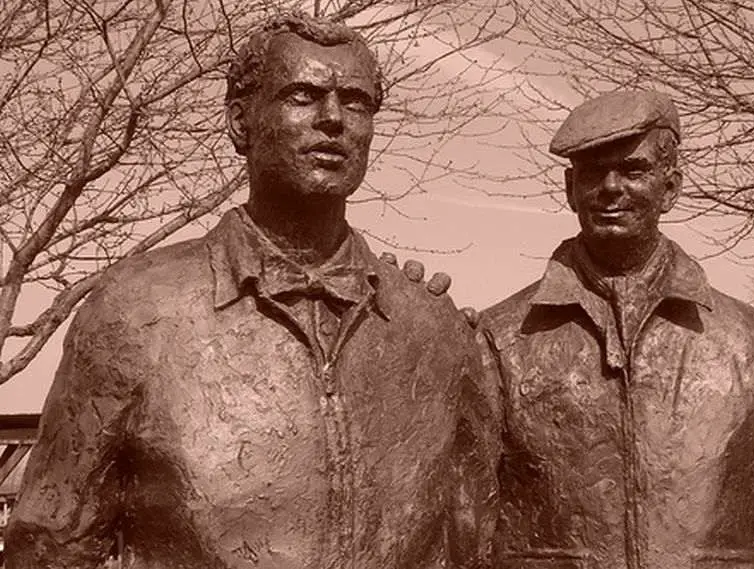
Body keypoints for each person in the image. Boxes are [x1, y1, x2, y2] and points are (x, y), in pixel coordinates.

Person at [5, 12, 495, 569]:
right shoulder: (137, 311)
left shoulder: (434, 331)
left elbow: (474, 537)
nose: (333, 118)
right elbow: (49, 545)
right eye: (303, 96)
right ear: (240, 122)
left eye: (356, 101)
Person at [478, 90, 754, 569]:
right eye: (594, 172)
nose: (611, 187)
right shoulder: (502, 340)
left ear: (671, 187)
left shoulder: (752, 346)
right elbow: (457, 529)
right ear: (570, 189)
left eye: (633, 171)